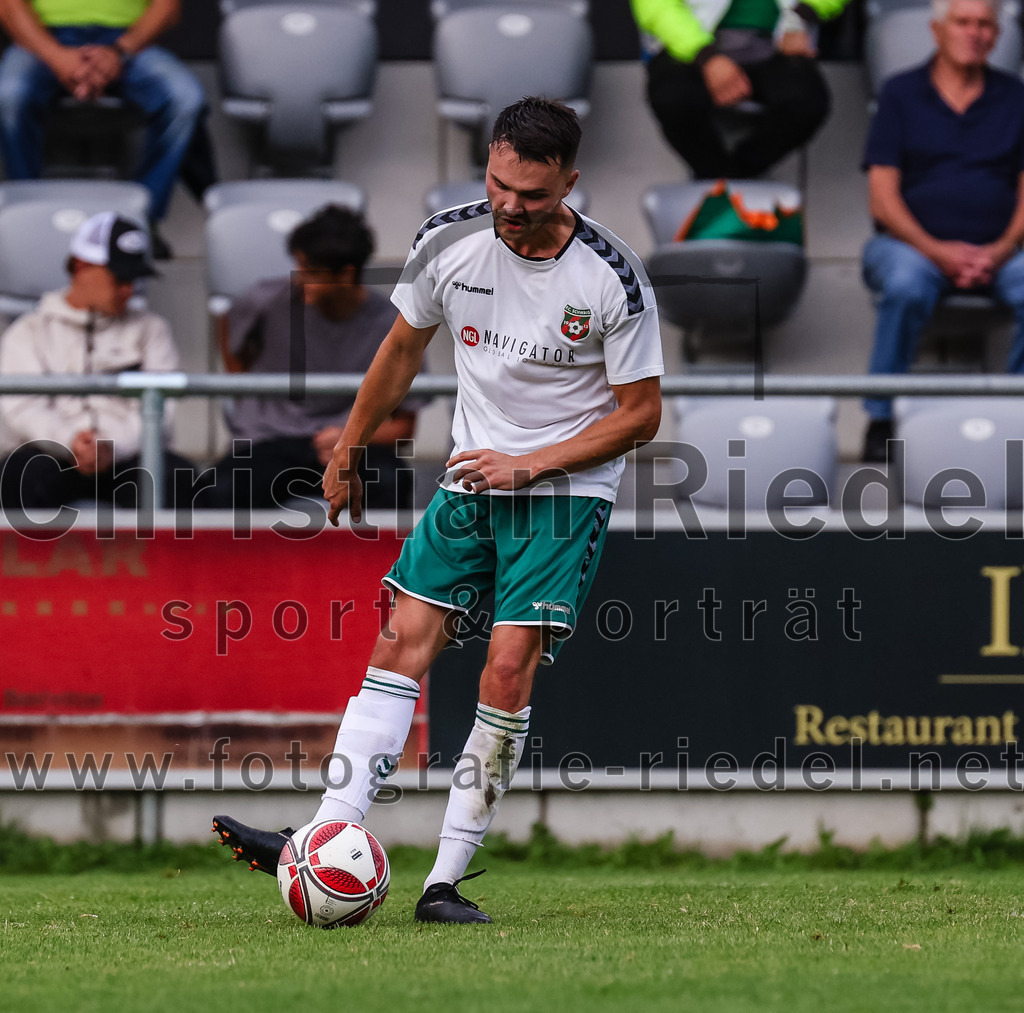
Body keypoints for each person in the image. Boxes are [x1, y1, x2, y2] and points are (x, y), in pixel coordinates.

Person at [212, 97, 665, 924]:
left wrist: (527, 462)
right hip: (470, 477)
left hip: (562, 492)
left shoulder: (612, 277)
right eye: (498, 184)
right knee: (398, 644)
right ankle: (327, 837)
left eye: (530, 193)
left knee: (504, 665)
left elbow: (640, 415)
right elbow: (401, 348)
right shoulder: (448, 239)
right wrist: (348, 448)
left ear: (570, 181)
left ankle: (443, 882)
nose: (510, 206)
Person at [860, 0, 1024, 461]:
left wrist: (1000, 250)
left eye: (983, 25)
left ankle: (1015, 417)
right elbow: (882, 199)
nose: (973, 32)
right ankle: (881, 418)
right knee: (907, 283)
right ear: (937, 30)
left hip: (1002, 251)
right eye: (962, 22)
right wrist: (938, 252)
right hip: (908, 247)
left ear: (996, 36)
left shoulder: (1016, 98)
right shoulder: (900, 93)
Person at [204, 204, 426, 513]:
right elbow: (228, 327)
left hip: (351, 445)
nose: (299, 279)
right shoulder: (265, 301)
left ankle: (376, 564)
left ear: (346, 274)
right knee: (218, 490)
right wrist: (244, 388)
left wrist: (349, 438)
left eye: (311, 272)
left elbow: (404, 426)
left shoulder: (391, 324)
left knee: (392, 482)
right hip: (271, 440)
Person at [0, 210, 193, 511]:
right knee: (17, 476)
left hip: (128, 456)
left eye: (134, 278)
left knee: (179, 478)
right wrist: (70, 441)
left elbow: (161, 412)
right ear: (81, 266)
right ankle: (20, 561)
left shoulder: (151, 329)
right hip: (50, 453)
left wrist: (110, 446)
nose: (128, 289)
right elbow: (22, 409)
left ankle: (161, 561)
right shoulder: (29, 331)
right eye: (119, 277)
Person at [0, 0, 215, 255]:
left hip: (128, 39)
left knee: (185, 99)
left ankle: (139, 221)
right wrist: (57, 58)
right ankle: (28, 217)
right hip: (42, 36)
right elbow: (8, 7)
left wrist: (118, 53)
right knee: (9, 96)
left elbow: (168, 9)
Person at [631, 0, 849, 179]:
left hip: (776, 43)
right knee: (673, 98)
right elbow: (655, 6)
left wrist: (801, 16)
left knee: (806, 103)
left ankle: (738, 176)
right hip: (692, 41)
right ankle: (713, 176)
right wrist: (706, 56)